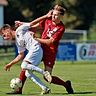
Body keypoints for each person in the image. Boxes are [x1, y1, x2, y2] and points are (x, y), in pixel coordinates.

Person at [5, 2, 74, 94]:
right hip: (40, 48)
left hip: (50, 52)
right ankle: (19, 90)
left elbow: (50, 42)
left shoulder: (61, 28)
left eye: (56, 15)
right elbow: (34, 26)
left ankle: (66, 85)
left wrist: (36, 38)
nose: (54, 16)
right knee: (25, 66)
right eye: (53, 14)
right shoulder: (47, 20)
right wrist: (22, 24)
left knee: (47, 78)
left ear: (61, 16)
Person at [0, 23, 52, 95]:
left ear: (8, 30)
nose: (5, 38)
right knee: (28, 74)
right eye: (3, 37)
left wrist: (46, 16)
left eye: (4, 35)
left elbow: (32, 24)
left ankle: (44, 73)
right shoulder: (18, 42)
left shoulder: (19, 30)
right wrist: (10, 64)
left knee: (23, 65)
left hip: (36, 48)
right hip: (36, 52)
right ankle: (45, 88)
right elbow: (20, 55)